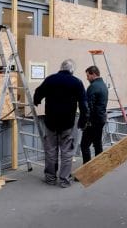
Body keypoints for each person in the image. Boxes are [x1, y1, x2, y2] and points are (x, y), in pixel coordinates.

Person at [33, 59, 88, 188]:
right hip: (67, 123)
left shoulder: (50, 79)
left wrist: (37, 101)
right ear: (72, 70)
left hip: (50, 121)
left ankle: (50, 178)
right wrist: (83, 121)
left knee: (51, 150)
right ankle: (64, 180)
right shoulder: (76, 82)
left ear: (61, 67)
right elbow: (84, 104)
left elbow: (38, 92)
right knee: (67, 152)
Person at [79, 65, 108, 164]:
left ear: (93, 74)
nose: (87, 78)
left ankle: (87, 169)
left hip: (93, 121)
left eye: (88, 76)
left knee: (84, 145)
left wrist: (84, 122)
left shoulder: (93, 87)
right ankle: (99, 166)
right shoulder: (103, 85)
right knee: (97, 143)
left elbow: (88, 107)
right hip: (101, 119)